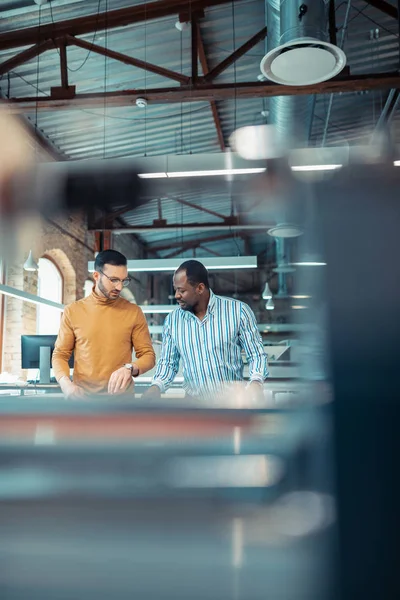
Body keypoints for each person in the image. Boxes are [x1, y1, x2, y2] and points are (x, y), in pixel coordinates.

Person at [144, 260, 268, 400]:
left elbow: (256, 355)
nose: (177, 295)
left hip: (231, 403)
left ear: (200, 288)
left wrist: (256, 382)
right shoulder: (173, 321)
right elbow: (168, 363)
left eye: (182, 290)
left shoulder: (238, 311)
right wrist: (156, 386)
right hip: (194, 406)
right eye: (176, 289)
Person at [52, 249, 155, 398]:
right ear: (96, 276)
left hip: (122, 405)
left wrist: (130, 368)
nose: (119, 287)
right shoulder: (73, 311)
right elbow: (60, 355)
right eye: (113, 280)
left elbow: (148, 355)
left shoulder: (134, 312)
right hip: (83, 402)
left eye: (123, 280)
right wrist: (66, 385)